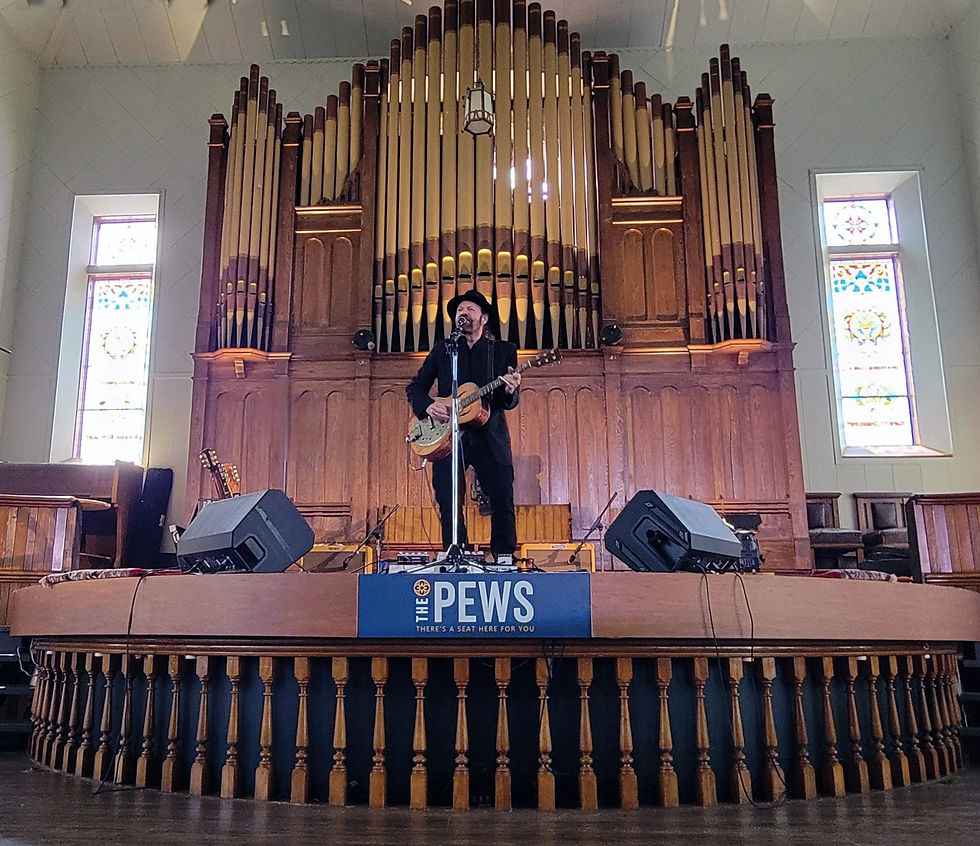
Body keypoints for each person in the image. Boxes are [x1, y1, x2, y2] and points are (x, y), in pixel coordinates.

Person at [406, 290, 522, 562]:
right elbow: (416, 387)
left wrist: (510, 390)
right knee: (448, 498)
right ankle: (456, 554)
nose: (463, 313)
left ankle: (504, 556)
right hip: (449, 437)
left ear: (483, 318)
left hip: (490, 434)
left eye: (470, 309)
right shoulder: (444, 351)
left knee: (501, 494)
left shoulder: (503, 351)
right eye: (459, 310)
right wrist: (428, 406)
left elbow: (508, 401)